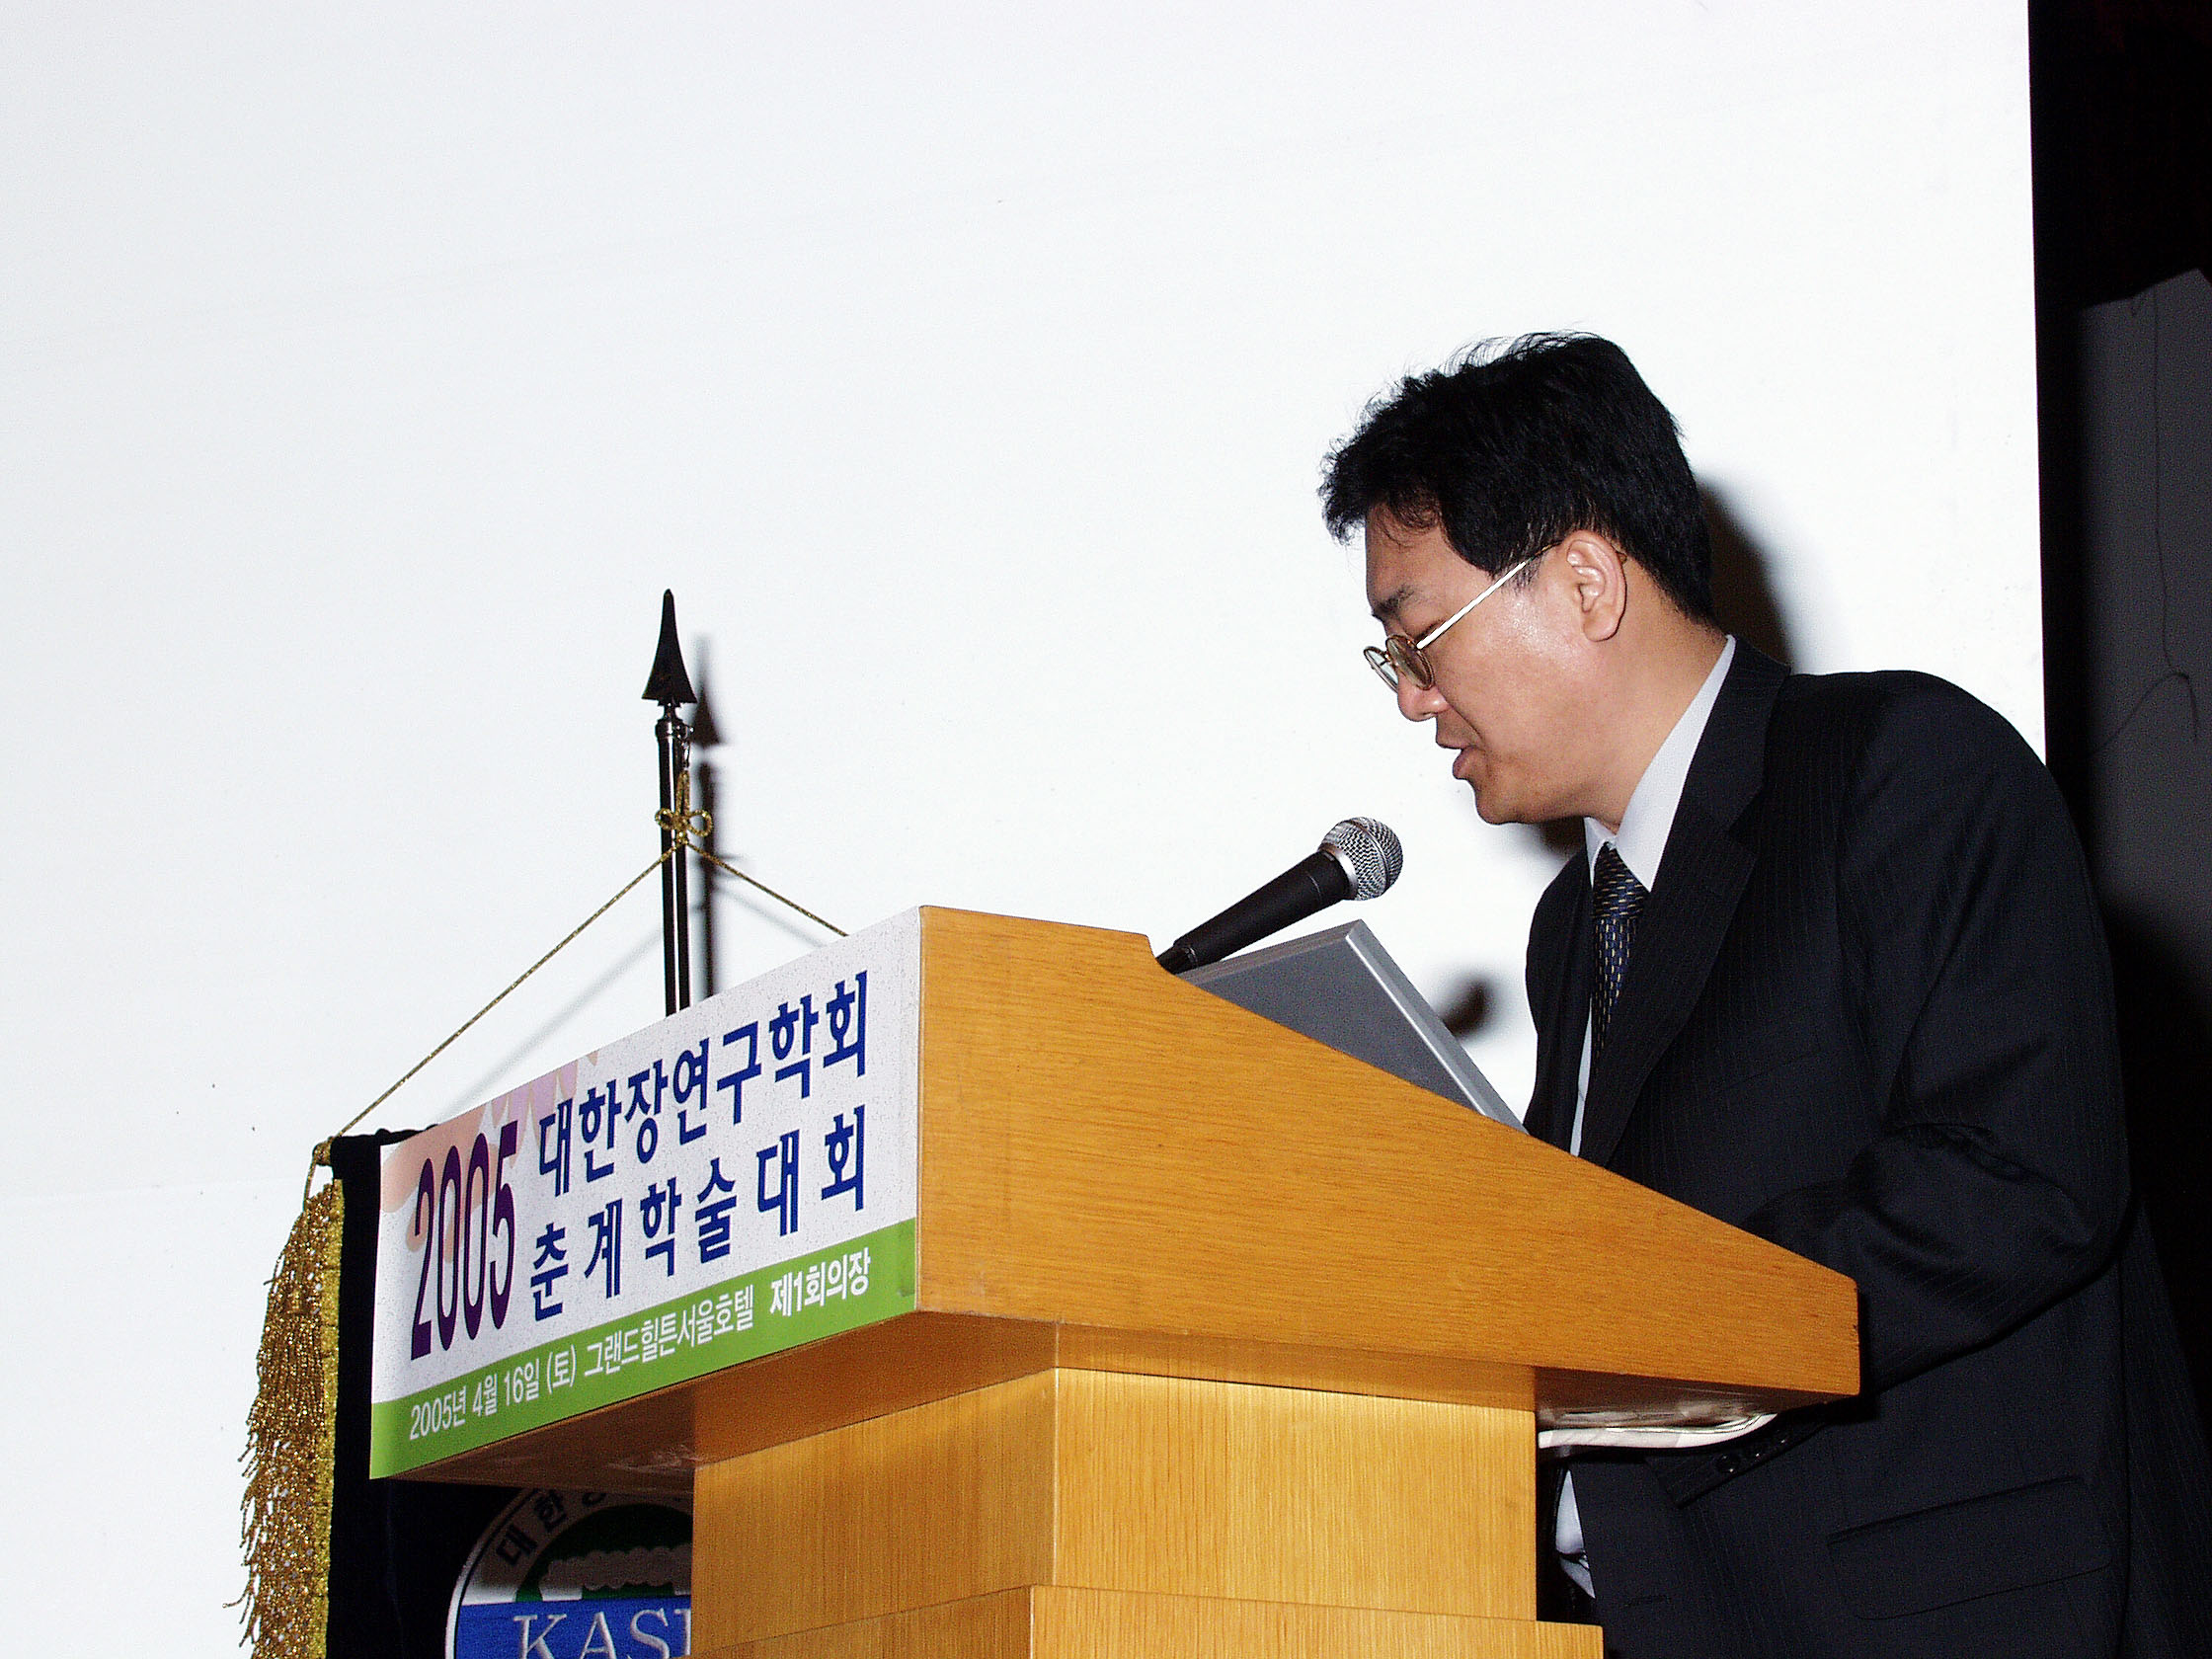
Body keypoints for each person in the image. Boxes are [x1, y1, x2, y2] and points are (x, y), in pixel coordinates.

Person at [1321, 334, 2212, 1659]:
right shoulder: (1574, 926)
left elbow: (2019, 1181)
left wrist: (1608, 1327)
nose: (1411, 699)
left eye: (1421, 639)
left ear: (1584, 582)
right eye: (1391, 656)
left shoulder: (1904, 771)